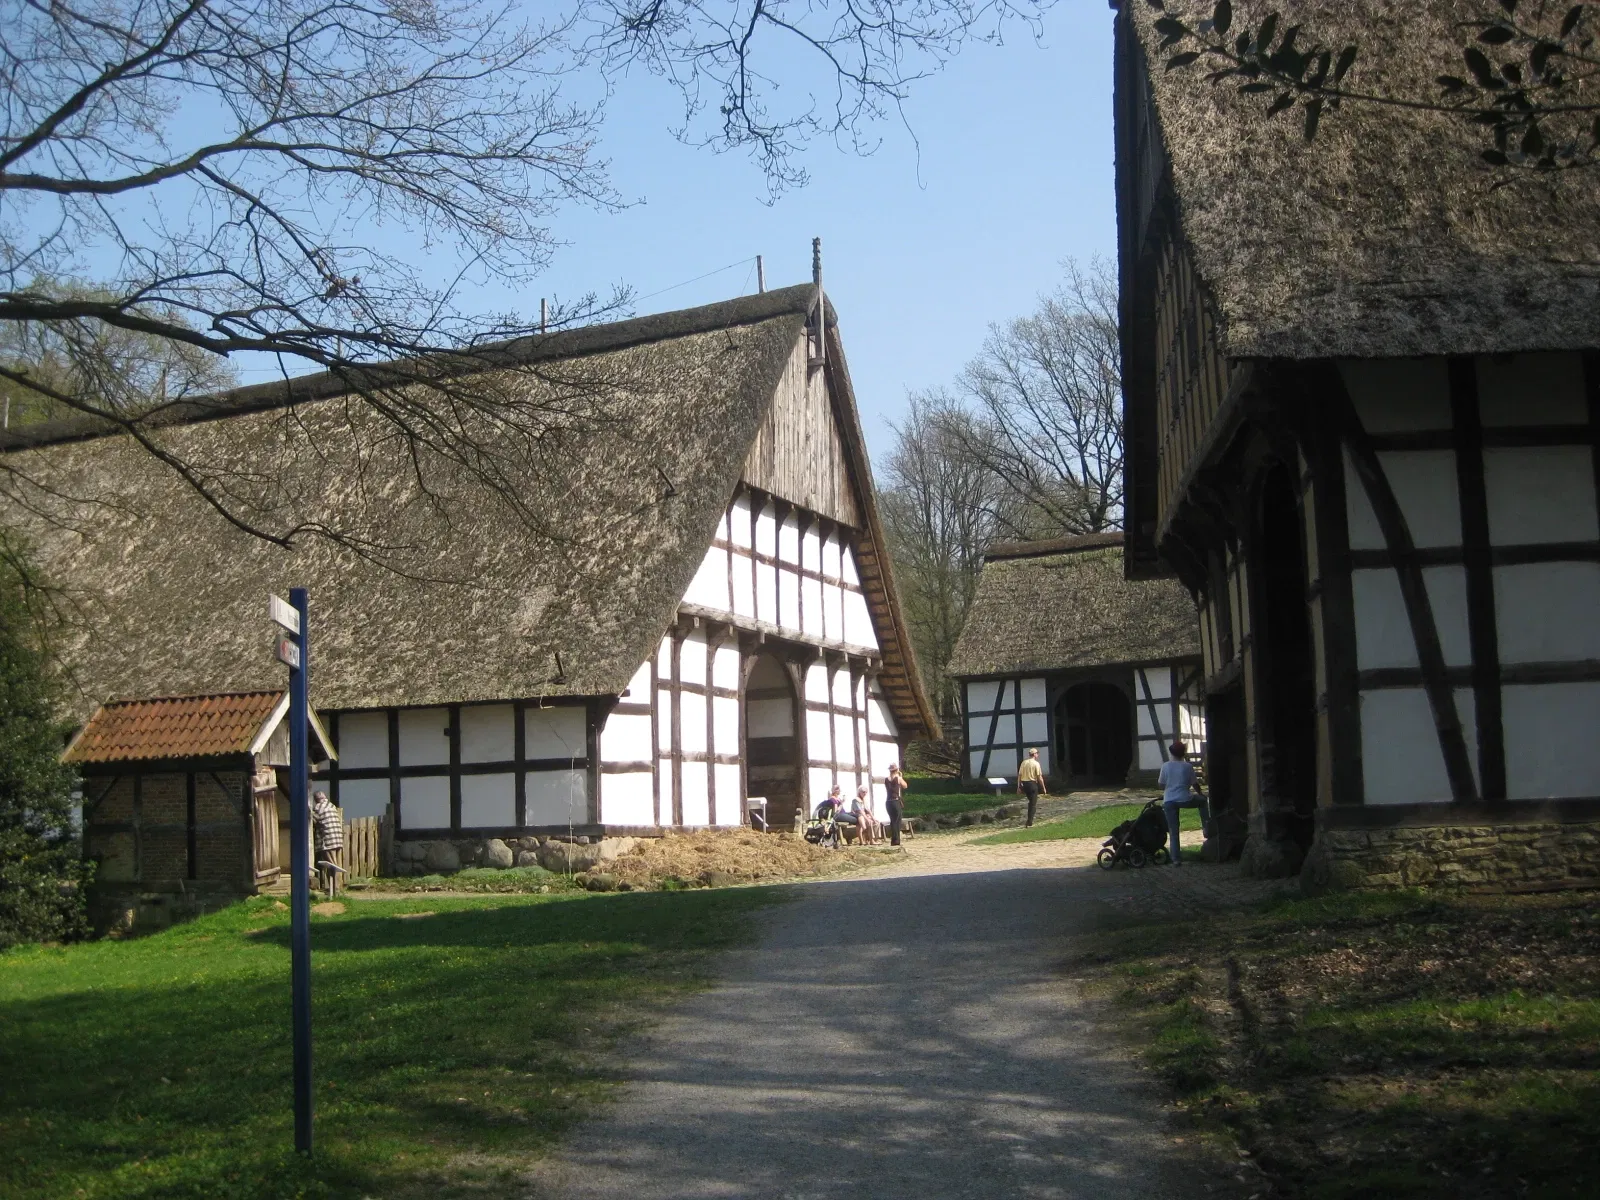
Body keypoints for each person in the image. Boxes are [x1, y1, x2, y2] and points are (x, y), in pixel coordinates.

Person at [1158, 741, 1210, 867]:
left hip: (1169, 800)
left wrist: (1169, 786)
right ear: (1183, 753)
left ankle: (1176, 859)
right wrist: (1201, 794)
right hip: (1184, 798)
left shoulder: (1166, 766)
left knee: (1173, 830)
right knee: (1202, 802)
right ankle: (1206, 827)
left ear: (1171, 753)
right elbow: (1195, 784)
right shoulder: (1187, 766)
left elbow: (1161, 784)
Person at [310, 789, 344, 888]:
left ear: (316, 799)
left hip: (328, 840)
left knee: (331, 865)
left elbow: (313, 821)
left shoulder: (318, 807)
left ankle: (335, 888)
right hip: (338, 839)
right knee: (337, 864)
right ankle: (337, 887)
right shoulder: (331, 806)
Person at [1016, 748, 1047, 827]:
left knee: (1031, 801)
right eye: (1037, 753)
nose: (1038, 755)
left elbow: (1019, 775)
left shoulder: (1024, 763)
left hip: (1025, 784)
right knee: (1033, 803)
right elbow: (1039, 777)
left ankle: (1029, 819)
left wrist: (1019, 786)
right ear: (1035, 754)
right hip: (1032, 784)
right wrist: (1043, 787)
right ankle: (1030, 821)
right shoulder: (1036, 764)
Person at [884, 764, 905, 847]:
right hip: (895, 801)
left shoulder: (886, 779)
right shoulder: (898, 778)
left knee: (892, 821)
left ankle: (893, 840)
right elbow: (905, 785)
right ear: (896, 770)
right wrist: (901, 776)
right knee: (897, 820)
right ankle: (896, 840)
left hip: (888, 802)